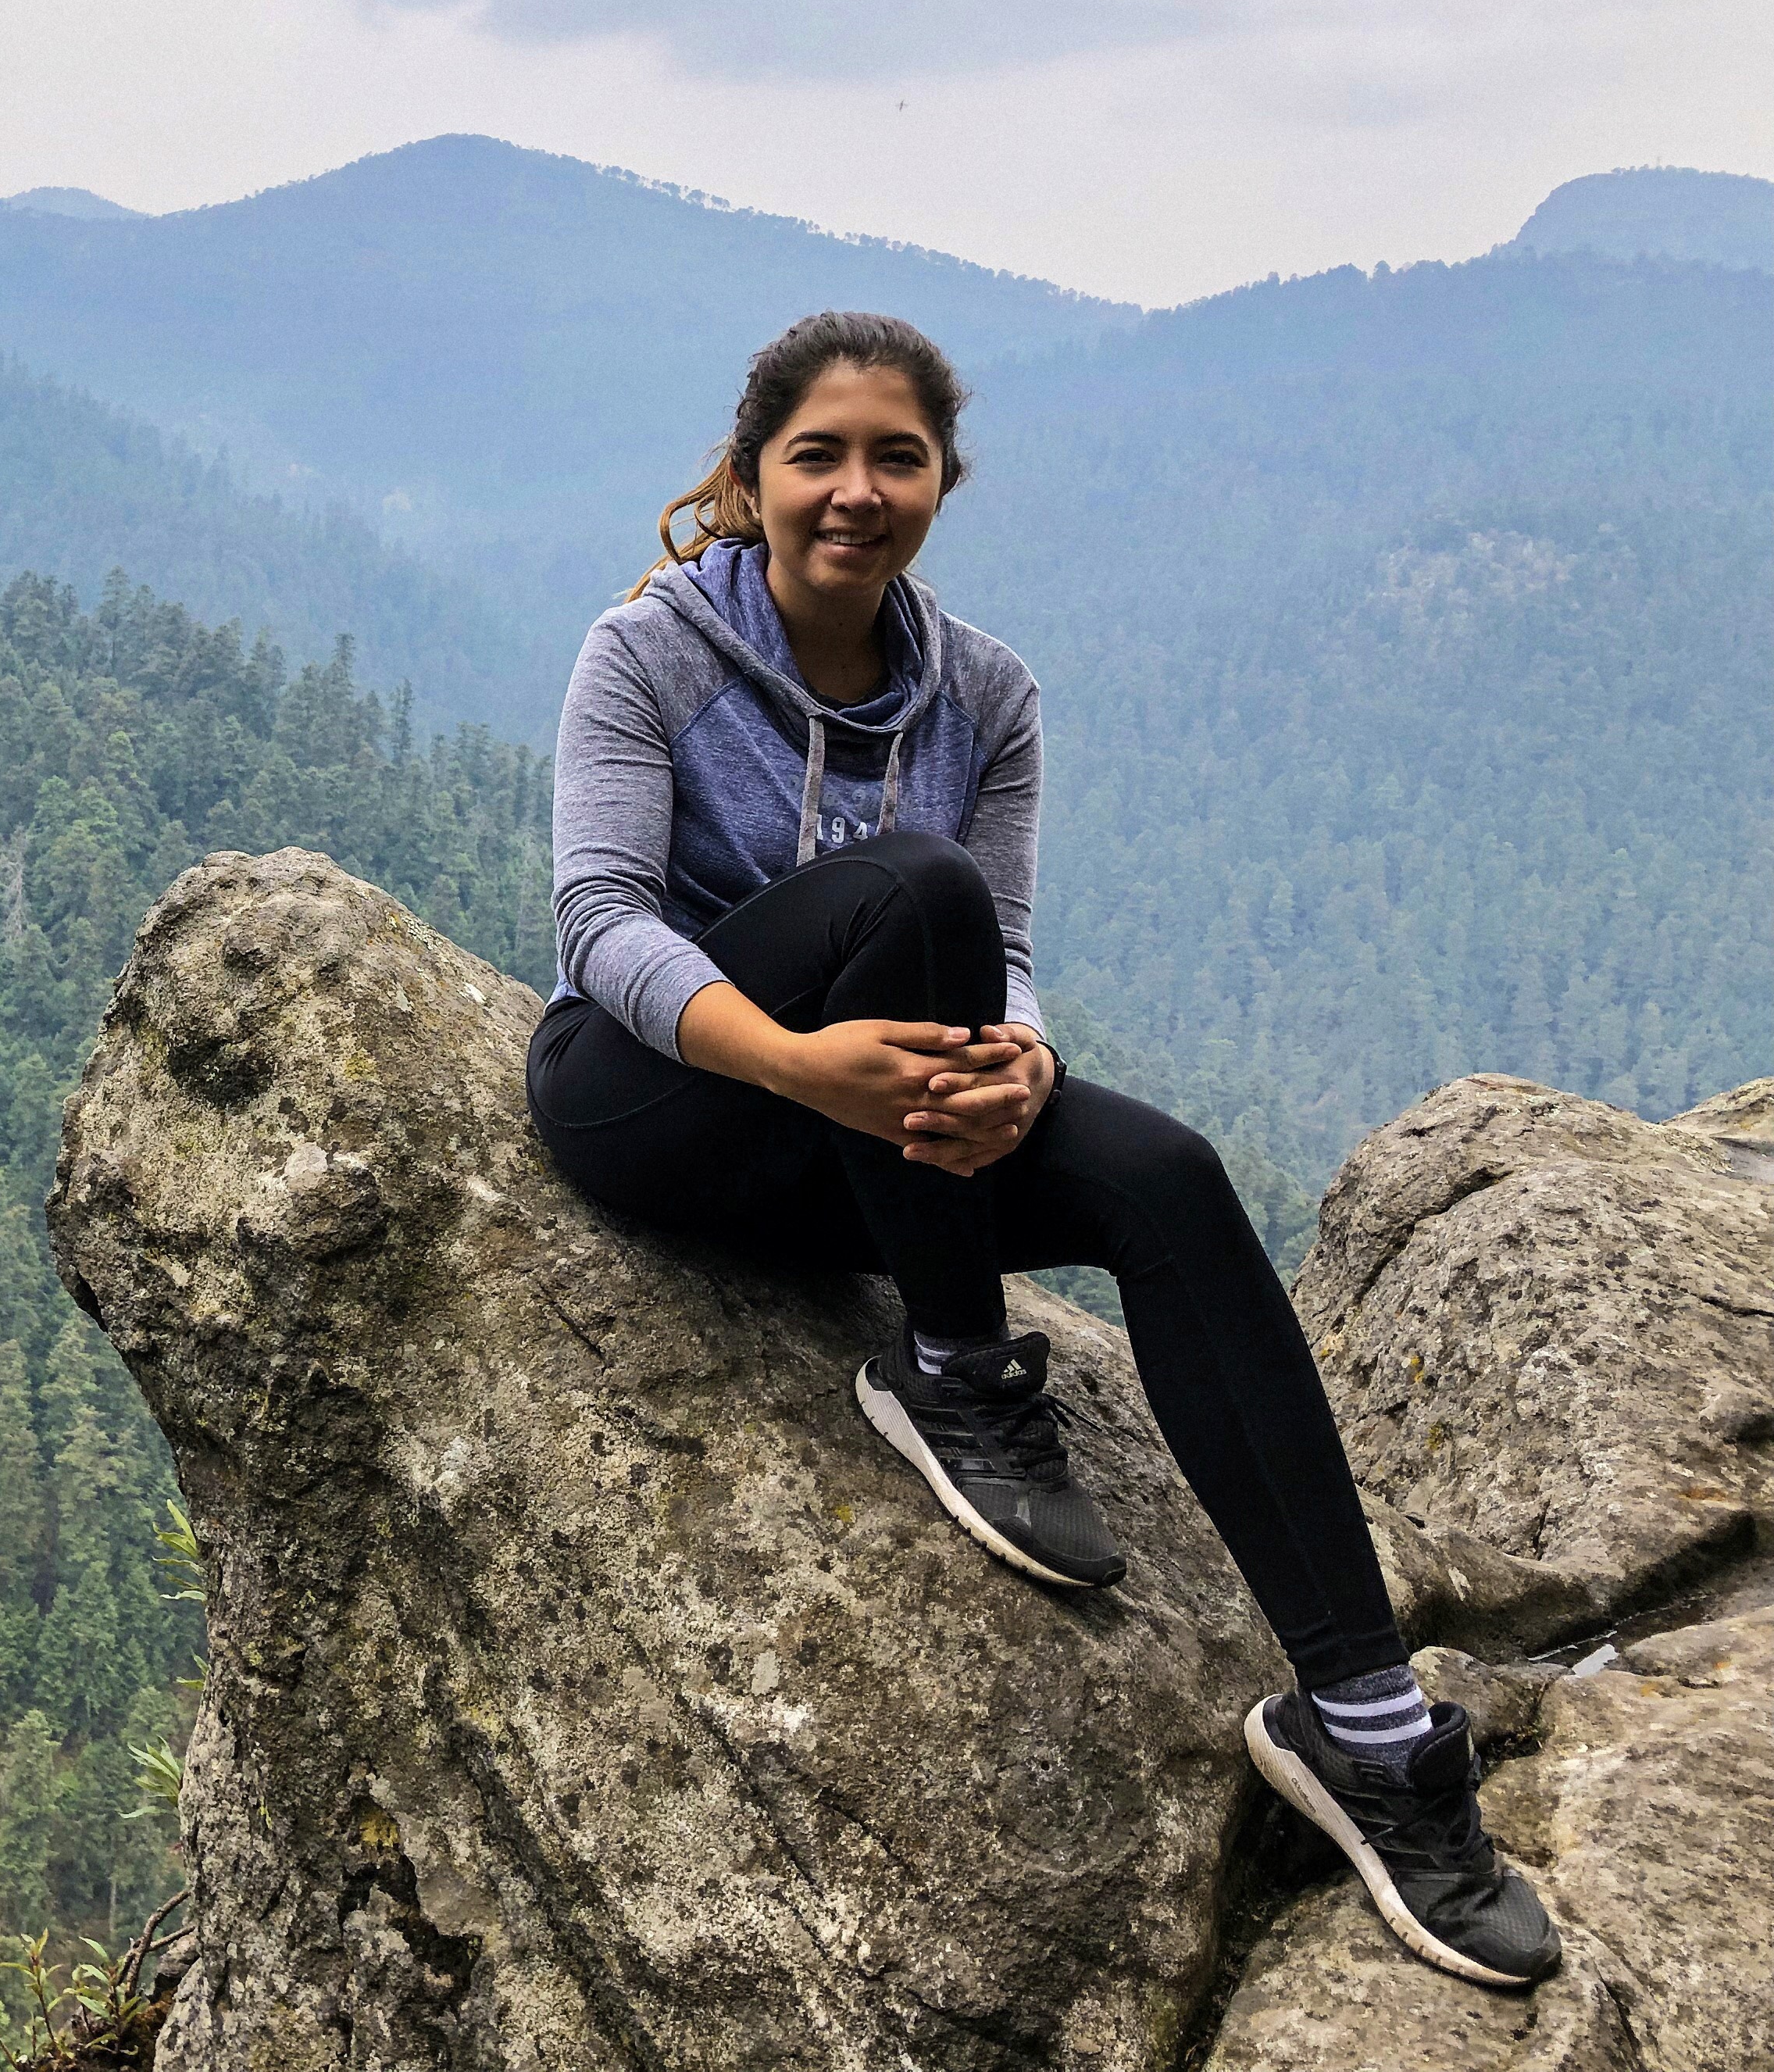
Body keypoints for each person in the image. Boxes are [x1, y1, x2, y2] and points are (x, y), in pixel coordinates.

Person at [526, 311, 1558, 1991]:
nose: (856, 491)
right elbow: (598, 920)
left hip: (881, 1134)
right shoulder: (648, 653)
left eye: (897, 458)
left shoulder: (987, 694)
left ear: (944, 479)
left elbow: (997, 951)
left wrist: (1027, 1063)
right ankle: (954, 1364)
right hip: (667, 1099)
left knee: (1170, 1181)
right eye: (817, 456)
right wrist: (798, 1064)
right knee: (910, 883)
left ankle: (1369, 1727)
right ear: (749, 475)